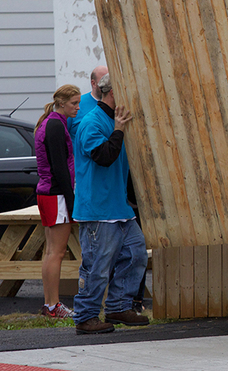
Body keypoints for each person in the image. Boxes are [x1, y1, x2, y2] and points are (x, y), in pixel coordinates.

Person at [72, 73, 149, 334]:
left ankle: (118, 305)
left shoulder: (115, 121)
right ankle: (85, 316)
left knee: (136, 254)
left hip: (118, 207)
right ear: (113, 93)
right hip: (97, 209)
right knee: (97, 266)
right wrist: (118, 130)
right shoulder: (91, 122)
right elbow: (104, 157)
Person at [34, 84, 82, 319]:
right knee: (57, 252)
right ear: (61, 102)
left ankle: (50, 304)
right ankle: (53, 305)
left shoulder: (53, 123)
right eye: (74, 103)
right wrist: (71, 199)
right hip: (55, 194)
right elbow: (59, 166)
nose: (77, 107)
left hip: (49, 193)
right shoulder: (54, 125)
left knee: (51, 251)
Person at [67, 65, 108, 140]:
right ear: (93, 83)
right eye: (104, 80)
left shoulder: (116, 104)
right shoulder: (77, 104)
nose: (108, 85)